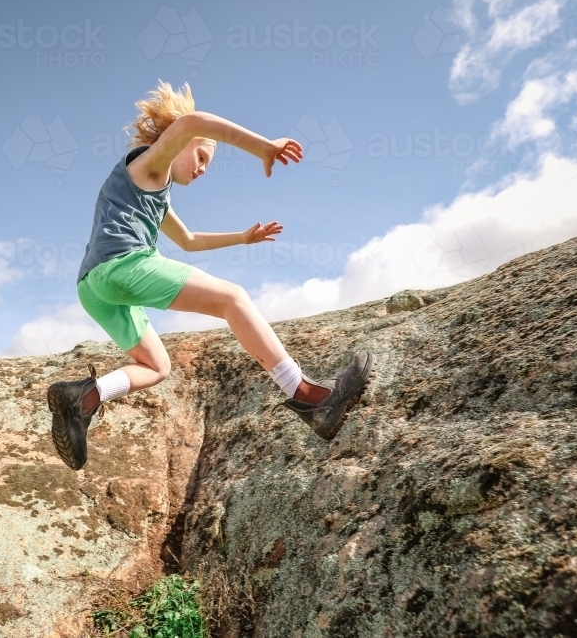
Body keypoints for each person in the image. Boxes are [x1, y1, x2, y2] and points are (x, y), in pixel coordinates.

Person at [47, 80, 374, 470]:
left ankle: (83, 398)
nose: (203, 169)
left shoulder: (150, 189)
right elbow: (194, 122)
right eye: (201, 156)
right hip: (121, 265)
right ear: (179, 143)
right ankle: (308, 395)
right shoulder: (150, 164)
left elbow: (187, 240)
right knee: (234, 298)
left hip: (93, 287)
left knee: (156, 367)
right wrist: (263, 147)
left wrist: (243, 237)